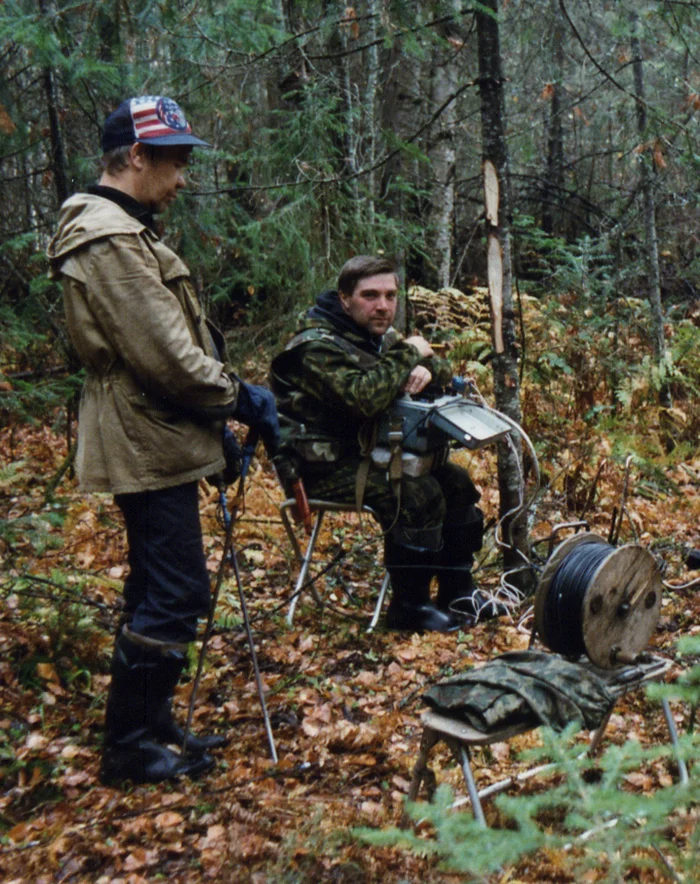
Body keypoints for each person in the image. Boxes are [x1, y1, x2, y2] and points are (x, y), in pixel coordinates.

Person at [47, 95, 278, 785]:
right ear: (137, 157)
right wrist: (240, 400)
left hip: (159, 433)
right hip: (142, 438)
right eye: (174, 162)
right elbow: (168, 361)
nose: (182, 179)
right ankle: (128, 745)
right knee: (177, 591)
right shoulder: (109, 238)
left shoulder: (128, 230)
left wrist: (220, 429)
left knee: (157, 584)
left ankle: (150, 727)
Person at [270, 255, 503, 633]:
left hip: (371, 455)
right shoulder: (314, 347)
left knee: (457, 482)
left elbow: (441, 371)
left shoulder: (379, 338)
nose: (383, 306)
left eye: (391, 296)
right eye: (370, 295)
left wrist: (427, 369)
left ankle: (457, 592)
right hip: (323, 468)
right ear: (344, 298)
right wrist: (410, 353)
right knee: (418, 492)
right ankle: (410, 606)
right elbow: (363, 397)